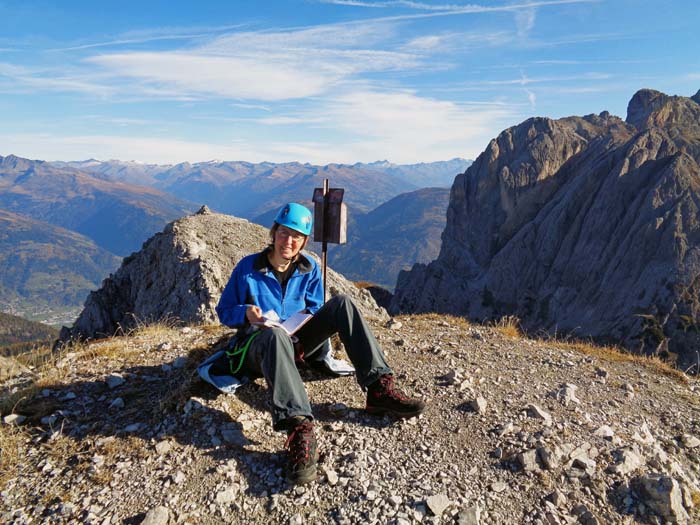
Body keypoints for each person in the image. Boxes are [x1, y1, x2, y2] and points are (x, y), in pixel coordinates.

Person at [214, 202, 425, 485]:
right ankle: (299, 427)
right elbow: (224, 311)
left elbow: (314, 307)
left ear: (303, 242)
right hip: (259, 346)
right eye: (284, 233)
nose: (288, 242)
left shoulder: (309, 268)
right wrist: (245, 313)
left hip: (296, 340)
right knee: (275, 336)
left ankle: (378, 388)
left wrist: (305, 323)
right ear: (273, 233)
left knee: (343, 304)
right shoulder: (248, 268)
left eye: (296, 237)